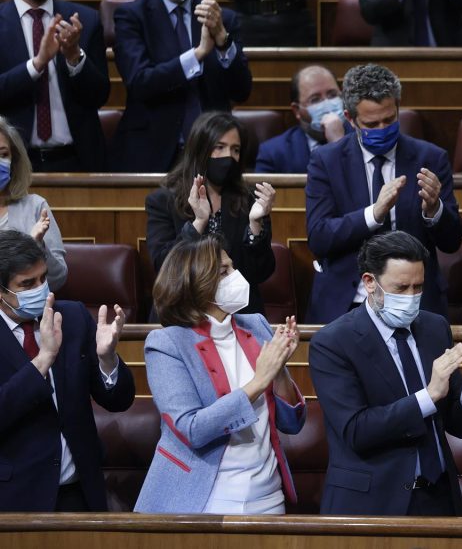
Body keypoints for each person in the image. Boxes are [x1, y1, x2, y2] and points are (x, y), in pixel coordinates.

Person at [309, 231, 462, 515]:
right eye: (401, 288)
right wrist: (428, 396)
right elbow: (356, 430)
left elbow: (456, 425)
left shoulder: (435, 328)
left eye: (418, 287)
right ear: (370, 282)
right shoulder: (333, 343)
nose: (411, 297)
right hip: (373, 504)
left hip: (439, 498)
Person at [135, 236, 304, 514]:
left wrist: (281, 369)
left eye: (232, 268)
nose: (236, 277)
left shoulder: (256, 324)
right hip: (208, 498)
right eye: (224, 271)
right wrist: (258, 382)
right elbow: (192, 429)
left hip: (269, 495)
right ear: (196, 283)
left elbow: (292, 423)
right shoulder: (167, 343)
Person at [305, 64, 462, 324]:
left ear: (398, 107)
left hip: (415, 302)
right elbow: (319, 237)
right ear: (350, 117)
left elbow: (452, 241)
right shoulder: (326, 161)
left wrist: (435, 210)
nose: (382, 128)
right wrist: (373, 214)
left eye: (389, 120)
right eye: (371, 123)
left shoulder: (430, 158)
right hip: (348, 303)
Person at [0, 230, 135, 511]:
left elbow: (119, 400)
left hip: (80, 492)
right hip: (16, 497)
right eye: (27, 284)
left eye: (42, 278)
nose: (41, 289)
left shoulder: (71, 317)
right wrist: (43, 359)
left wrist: (108, 359)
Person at [113, 0, 252, 173]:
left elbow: (242, 91)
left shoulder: (223, 19)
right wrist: (197, 55)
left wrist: (222, 42)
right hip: (152, 150)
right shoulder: (132, 16)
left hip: (212, 154)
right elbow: (140, 82)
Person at [0, 0, 110, 172]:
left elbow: (100, 95)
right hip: (14, 164)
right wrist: (37, 64)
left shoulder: (86, 20)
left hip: (77, 159)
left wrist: (74, 57)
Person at [146, 112, 276, 315]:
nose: (229, 156)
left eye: (236, 150)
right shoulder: (164, 201)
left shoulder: (250, 199)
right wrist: (198, 222)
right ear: (200, 149)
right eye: (220, 147)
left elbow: (261, 272)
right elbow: (164, 265)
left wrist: (255, 224)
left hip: (238, 314)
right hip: (182, 312)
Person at [0, 116, 67, 291]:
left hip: (27, 314)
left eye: (4, 154)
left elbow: (59, 278)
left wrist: (37, 246)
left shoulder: (35, 207)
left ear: (14, 160)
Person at [255, 64, 346, 173]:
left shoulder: (364, 139)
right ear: (297, 110)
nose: (327, 104)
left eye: (332, 95)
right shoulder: (273, 153)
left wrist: (338, 142)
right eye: (315, 99)